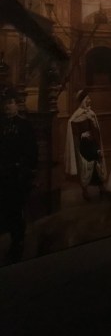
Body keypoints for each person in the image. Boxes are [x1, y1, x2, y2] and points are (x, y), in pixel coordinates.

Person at [0, 87, 38, 263]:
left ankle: (18, 241)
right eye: (5, 103)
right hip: (2, 174)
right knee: (5, 208)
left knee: (16, 209)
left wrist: (24, 169)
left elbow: (31, 151)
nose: (7, 106)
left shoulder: (24, 126)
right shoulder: (1, 124)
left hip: (17, 175)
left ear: (16, 105)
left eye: (10, 103)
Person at [64, 89, 106, 201]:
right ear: (82, 101)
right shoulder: (76, 115)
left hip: (93, 143)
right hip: (83, 146)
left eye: (89, 99)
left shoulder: (91, 114)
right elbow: (73, 130)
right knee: (85, 167)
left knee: (97, 163)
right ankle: (85, 190)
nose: (89, 101)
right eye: (87, 99)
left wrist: (92, 124)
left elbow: (96, 130)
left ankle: (101, 187)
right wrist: (82, 134)